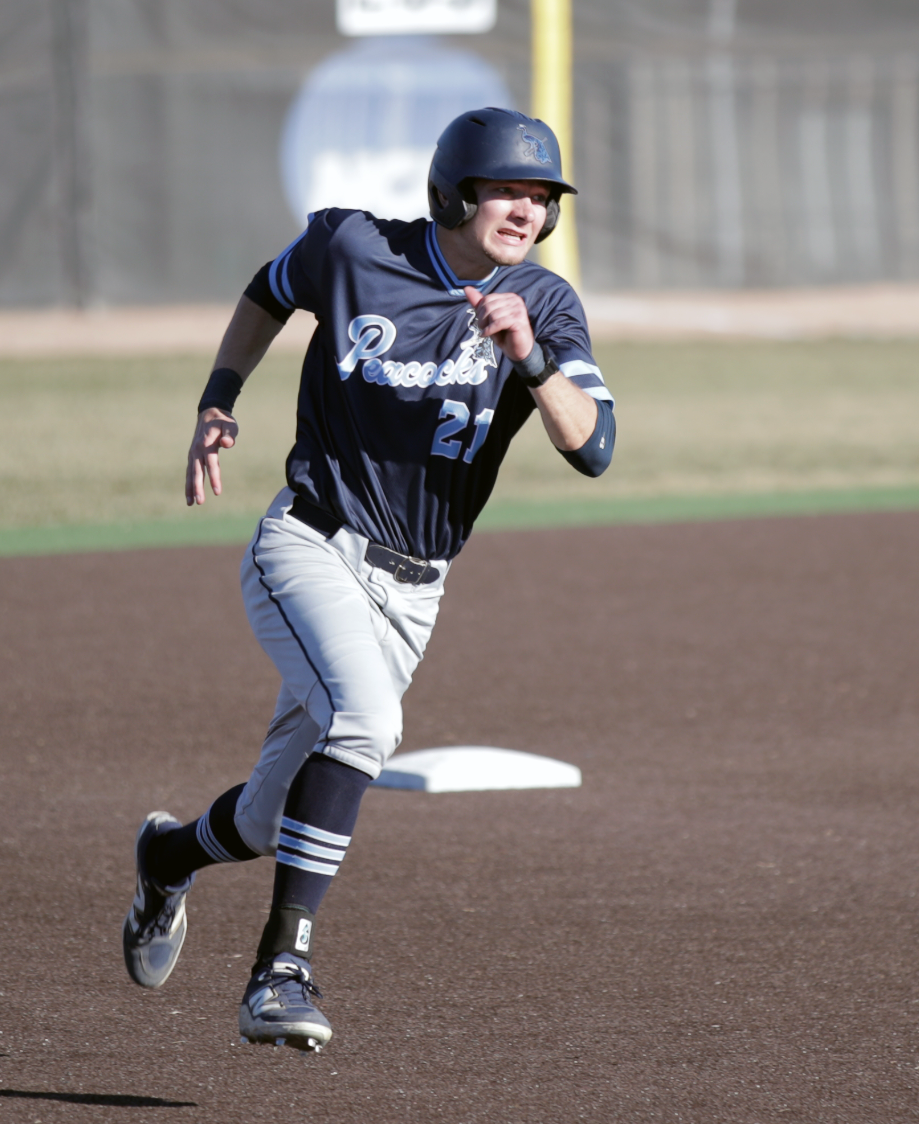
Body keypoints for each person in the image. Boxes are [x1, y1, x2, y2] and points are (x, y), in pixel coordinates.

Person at [121, 107, 616, 1052]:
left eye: (542, 195)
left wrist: (530, 357)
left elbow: (593, 449)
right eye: (508, 187)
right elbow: (266, 292)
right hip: (308, 543)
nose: (527, 208)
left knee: (271, 816)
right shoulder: (350, 246)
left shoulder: (544, 306)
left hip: (415, 589)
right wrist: (217, 401)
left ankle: (165, 856)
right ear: (457, 189)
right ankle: (281, 971)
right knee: (368, 725)